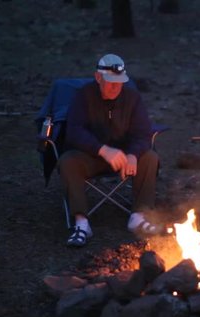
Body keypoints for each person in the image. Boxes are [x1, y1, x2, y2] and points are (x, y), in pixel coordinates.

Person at [59, 53, 161, 247]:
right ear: (98, 78)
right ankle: (81, 222)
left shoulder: (132, 98)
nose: (116, 86)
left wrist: (132, 154)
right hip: (91, 158)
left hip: (123, 159)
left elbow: (143, 134)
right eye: (111, 82)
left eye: (120, 82)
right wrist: (102, 149)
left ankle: (138, 216)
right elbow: (73, 131)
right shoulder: (84, 96)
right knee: (68, 160)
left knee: (149, 157)